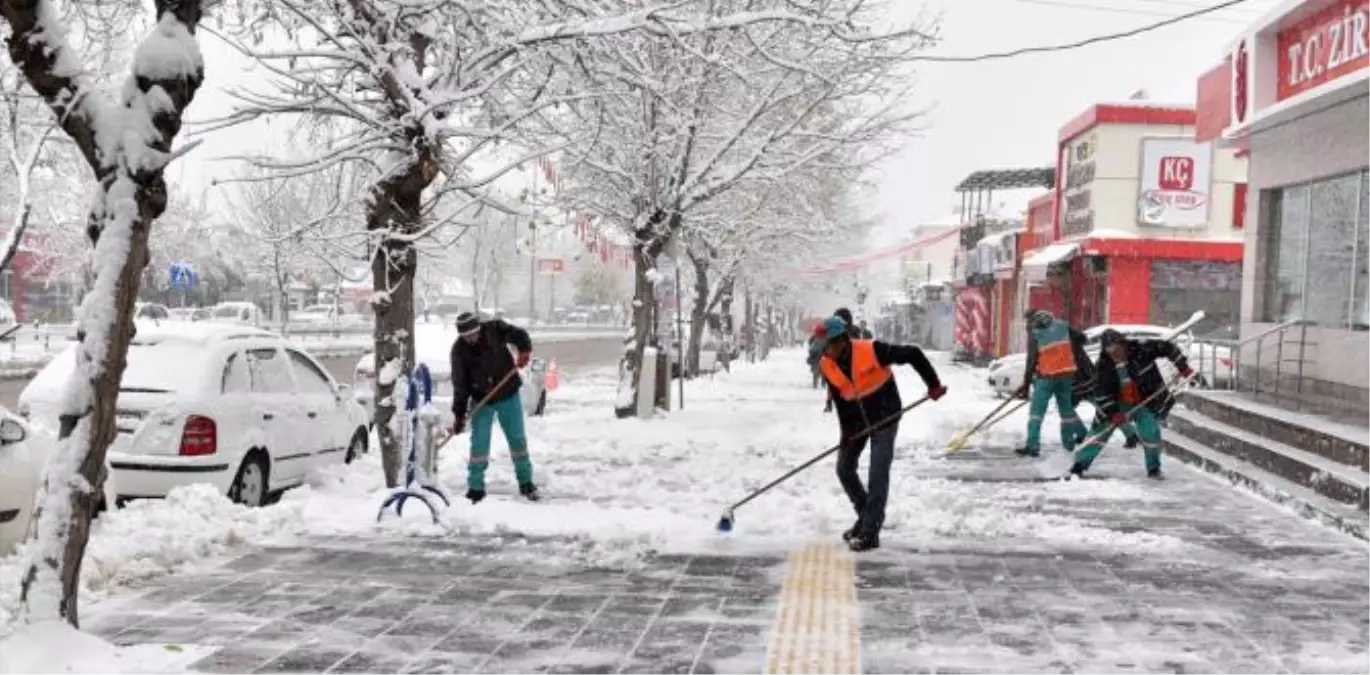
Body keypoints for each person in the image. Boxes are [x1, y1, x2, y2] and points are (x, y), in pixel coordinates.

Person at [816, 315, 947, 552]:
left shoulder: (872, 350)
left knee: (877, 473)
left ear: (842, 341)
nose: (826, 351)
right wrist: (846, 433)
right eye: (823, 347)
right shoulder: (827, 364)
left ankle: (870, 532)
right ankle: (865, 515)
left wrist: (933, 384)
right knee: (844, 468)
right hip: (857, 421)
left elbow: (913, 353)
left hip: (885, 416)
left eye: (829, 345)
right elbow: (840, 401)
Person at [1070, 329, 1193, 479]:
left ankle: (1153, 468)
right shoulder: (1104, 367)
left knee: (1151, 431)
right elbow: (1101, 394)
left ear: (1123, 344)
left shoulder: (1142, 349)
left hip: (1142, 402)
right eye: (1110, 352)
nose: (1114, 355)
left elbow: (1167, 347)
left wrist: (1182, 366)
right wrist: (1114, 413)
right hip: (1117, 404)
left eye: (1116, 350)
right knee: (1099, 434)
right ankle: (1079, 466)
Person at [450, 311, 539, 502]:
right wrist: (459, 414)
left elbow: (520, 335)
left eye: (473, 334)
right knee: (479, 444)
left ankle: (526, 481)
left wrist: (524, 350)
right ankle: (476, 487)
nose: (470, 339)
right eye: (466, 337)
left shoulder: (495, 329)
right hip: (482, 399)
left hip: (508, 393)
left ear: (479, 329)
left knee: (517, 440)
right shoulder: (459, 352)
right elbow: (460, 385)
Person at [1017, 309, 1089, 457]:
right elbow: (1082, 339)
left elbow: (1031, 360)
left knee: (1036, 412)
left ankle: (1033, 445)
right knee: (1066, 410)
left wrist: (1026, 384)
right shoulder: (1062, 326)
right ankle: (1069, 443)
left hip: (1047, 377)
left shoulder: (1035, 332)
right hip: (1066, 375)